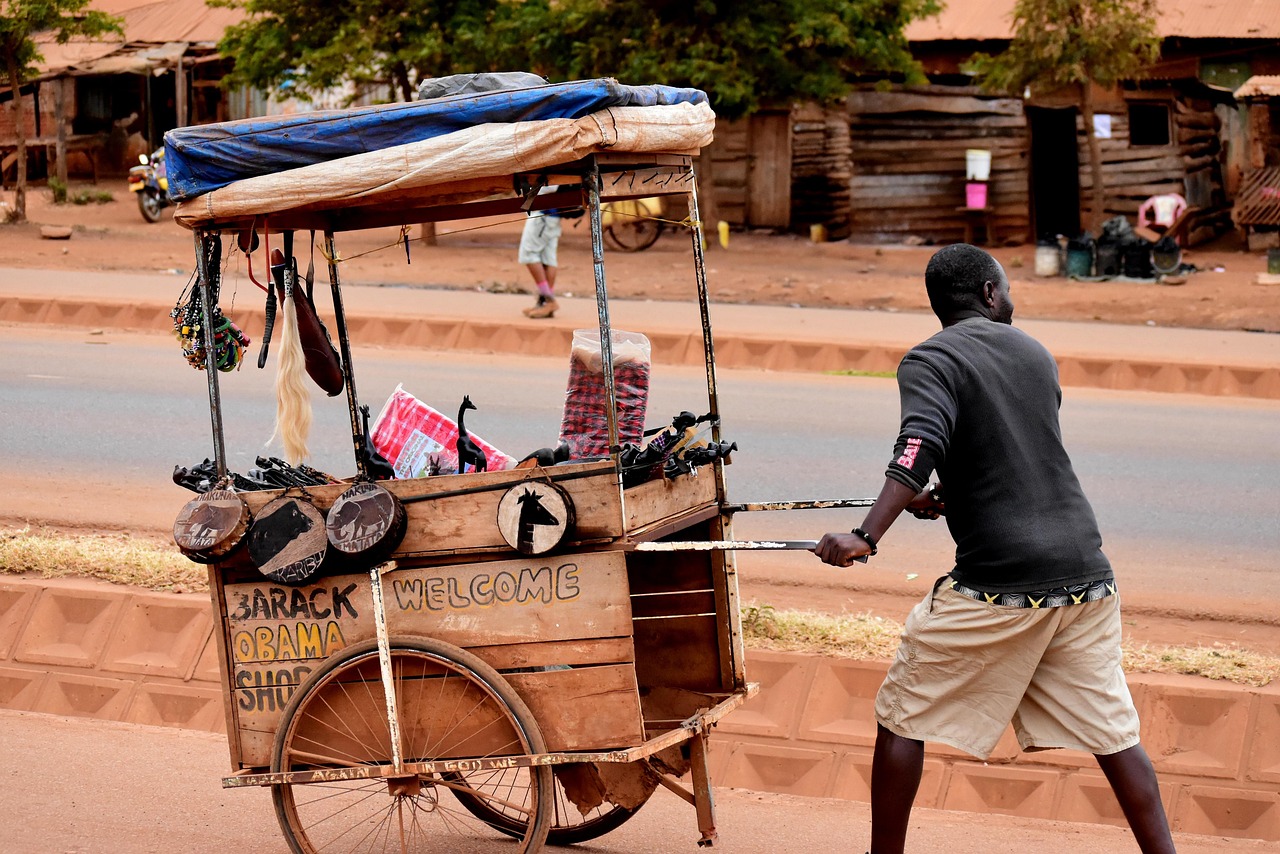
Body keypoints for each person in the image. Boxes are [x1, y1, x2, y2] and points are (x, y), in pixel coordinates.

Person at [814, 244, 1176, 854]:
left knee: (902, 715)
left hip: (1003, 582)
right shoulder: (1034, 353)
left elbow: (918, 444)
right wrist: (946, 495)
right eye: (1006, 288)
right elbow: (1012, 451)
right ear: (988, 293)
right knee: (1116, 734)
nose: (1011, 299)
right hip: (1087, 575)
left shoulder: (929, 360)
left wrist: (867, 535)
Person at [518, 191, 569, 318]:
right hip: (552, 216)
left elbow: (545, 188)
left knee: (528, 255)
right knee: (548, 259)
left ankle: (549, 300)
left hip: (542, 216)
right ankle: (544, 303)